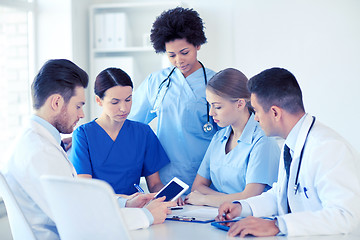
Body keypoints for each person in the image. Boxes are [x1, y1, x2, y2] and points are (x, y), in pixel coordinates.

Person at [1, 59, 175, 240]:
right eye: (78, 106)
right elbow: (79, 218)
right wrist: (145, 216)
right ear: (56, 102)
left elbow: (78, 200)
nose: (82, 114)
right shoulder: (40, 152)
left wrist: (125, 202)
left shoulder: (34, 141)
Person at [217, 67, 360, 237]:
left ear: (275, 112)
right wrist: (242, 207)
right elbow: (281, 195)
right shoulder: (291, 143)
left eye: (256, 111)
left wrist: (278, 225)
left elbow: (345, 216)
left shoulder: (328, 148)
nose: (255, 118)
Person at [128, 7, 218, 194]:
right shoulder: (156, 82)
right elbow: (129, 121)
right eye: (171, 55)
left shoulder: (216, 83)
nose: (179, 60)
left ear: (198, 45)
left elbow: (230, 135)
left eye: (184, 52)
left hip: (206, 178)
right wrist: (93, 134)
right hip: (165, 178)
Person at [184, 68, 280, 207]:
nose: (211, 113)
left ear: (240, 104)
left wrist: (205, 199)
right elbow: (197, 187)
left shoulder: (262, 140)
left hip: (253, 220)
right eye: (210, 105)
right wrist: (230, 199)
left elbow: (250, 197)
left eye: (217, 107)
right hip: (218, 216)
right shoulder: (219, 137)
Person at [69, 67, 170, 196]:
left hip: (136, 210)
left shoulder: (143, 133)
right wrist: (126, 200)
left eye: (128, 100)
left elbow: (155, 184)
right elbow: (86, 189)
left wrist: (168, 195)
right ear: (99, 100)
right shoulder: (83, 135)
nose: (124, 108)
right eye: (115, 102)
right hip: (100, 209)